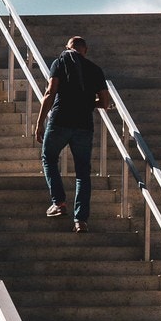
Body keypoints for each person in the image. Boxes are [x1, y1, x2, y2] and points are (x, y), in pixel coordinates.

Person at [33, 35, 110, 234]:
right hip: (83, 125)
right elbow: (104, 103)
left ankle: (59, 203)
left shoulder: (60, 62)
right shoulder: (95, 70)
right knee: (83, 173)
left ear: (68, 47)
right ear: (86, 50)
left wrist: (39, 122)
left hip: (59, 121)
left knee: (49, 158)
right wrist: (85, 102)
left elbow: (50, 92)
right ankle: (80, 221)